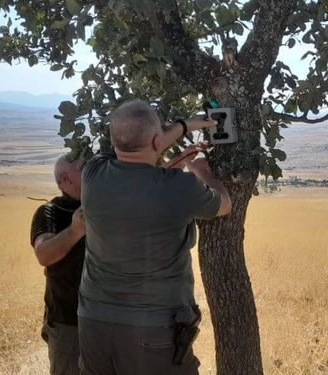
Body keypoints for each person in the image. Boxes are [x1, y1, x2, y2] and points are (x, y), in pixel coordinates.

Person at [78, 100, 231, 375]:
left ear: (114, 141)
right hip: (153, 329)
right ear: (157, 140)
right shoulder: (180, 187)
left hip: (93, 323)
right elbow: (224, 204)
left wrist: (184, 128)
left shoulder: (93, 174)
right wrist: (201, 170)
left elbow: (139, 159)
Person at [30, 153, 86, 375]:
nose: (92, 171)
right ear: (65, 178)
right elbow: (43, 254)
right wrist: (75, 230)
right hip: (68, 321)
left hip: (108, 317)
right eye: (84, 167)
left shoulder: (103, 205)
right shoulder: (49, 212)